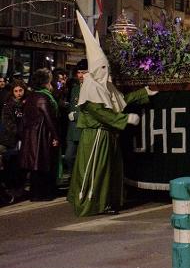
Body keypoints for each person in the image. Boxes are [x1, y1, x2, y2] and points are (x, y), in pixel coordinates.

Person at [67, 12, 156, 216]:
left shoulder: (103, 86)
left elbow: (119, 101)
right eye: (103, 67)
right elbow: (101, 113)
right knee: (95, 170)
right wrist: (125, 119)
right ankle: (89, 203)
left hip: (107, 135)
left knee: (108, 171)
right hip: (96, 135)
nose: (106, 71)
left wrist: (144, 93)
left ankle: (106, 202)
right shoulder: (90, 88)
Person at [20, 69, 60, 201]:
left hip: (31, 135)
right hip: (42, 136)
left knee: (35, 167)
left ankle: (35, 193)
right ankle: (44, 193)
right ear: (46, 82)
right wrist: (55, 136)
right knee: (44, 165)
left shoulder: (32, 95)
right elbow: (49, 118)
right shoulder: (44, 97)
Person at [1, 80, 28, 201]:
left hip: (23, 139)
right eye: (16, 91)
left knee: (21, 165)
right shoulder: (9, 105)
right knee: (11, 165)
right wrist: (18, 132)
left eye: (20, 90)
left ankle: (19, 188)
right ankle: (12, 189)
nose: (18, 93)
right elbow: (8, 123)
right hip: (11, 140)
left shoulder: (26, 103)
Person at [65, 59, 88, 176]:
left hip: (84, 129)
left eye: (84, 72)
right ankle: (72, 179)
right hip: (72, 129)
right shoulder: (74, 88)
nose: (80, 75)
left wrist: (76, 115)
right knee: (68, 157)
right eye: (79, 72)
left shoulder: (91, 89)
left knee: (83, 161)